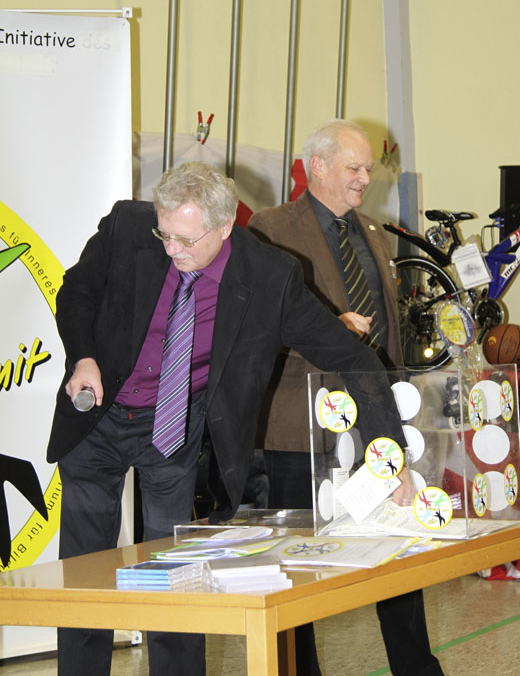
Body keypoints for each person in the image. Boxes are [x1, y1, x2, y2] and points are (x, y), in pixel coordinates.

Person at [47, 160, 408, 676]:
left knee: (176, 579)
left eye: (185, 240)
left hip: (172, 431)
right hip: (99, 417)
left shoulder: (269, 275)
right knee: (85, 577)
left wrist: (389, 456)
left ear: (223, 227)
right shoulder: (128, 226)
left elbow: (351, 356)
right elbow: (75, 291)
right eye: (165, 234)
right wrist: (82, 357)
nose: (171, 249)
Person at [249, 119, 444, 676]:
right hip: (302, 422)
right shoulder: (270, 228)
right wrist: (327, 328)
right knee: (299, 565)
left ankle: (416, 668)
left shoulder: (375, 233)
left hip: (376, 417)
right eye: (354, 167)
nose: (364, 179)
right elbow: (257, 324)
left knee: (397, 548)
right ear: (318, 166)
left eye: (368, 169)